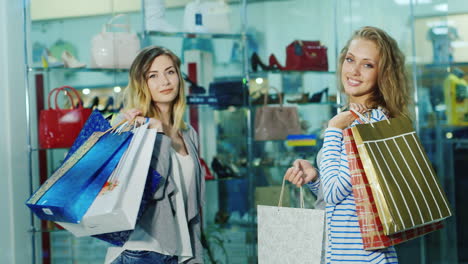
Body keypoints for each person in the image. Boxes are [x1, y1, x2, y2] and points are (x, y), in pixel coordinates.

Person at [284, 26, 410, 263]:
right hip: (345, 252)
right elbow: (345, 195)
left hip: (360, 257)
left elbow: (334, 194)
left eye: (367, 64)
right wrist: (315, 179)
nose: (354, 71)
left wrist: (332, 130)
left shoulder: (368, 123)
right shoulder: (356, 118)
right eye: (350, 59)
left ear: (383, 74)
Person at [105, 46, 205, 264]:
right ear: (142, 84)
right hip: (139, 251)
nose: (165, 82)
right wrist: (156, 131)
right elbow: (153, 190)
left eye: (170, 72)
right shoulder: (134, 128)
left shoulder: (188, 134)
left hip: (178, 252)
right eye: (153, 75)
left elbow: (192, 206)